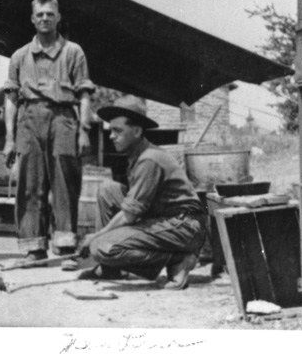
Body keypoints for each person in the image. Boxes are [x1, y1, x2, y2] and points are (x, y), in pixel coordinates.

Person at [1, 0, 94, 270]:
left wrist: (84, 130)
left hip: (64, 117)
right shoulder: (19, 56)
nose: (44, 19)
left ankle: (65, 247)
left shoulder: (73, 52)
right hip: (29, 119)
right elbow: (10, 99)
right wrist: (9, 139)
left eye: (49, 14)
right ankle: (34, 248)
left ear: (58, 17)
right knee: (30, 184)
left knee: (65, 182)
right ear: (32, 19)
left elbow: (85, 94)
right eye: (39, 14)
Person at [78, 95, 206, 290]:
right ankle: (110, 268)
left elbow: (129, 215)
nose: (111, 136)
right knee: (107, 190)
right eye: (111, 130)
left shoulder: (149, 160)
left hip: (184, 226)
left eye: (117, 130)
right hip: (165, 219)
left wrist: (95, 237)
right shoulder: (137, 155)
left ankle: (178, 259)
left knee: (101, 247)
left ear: (137, 131)